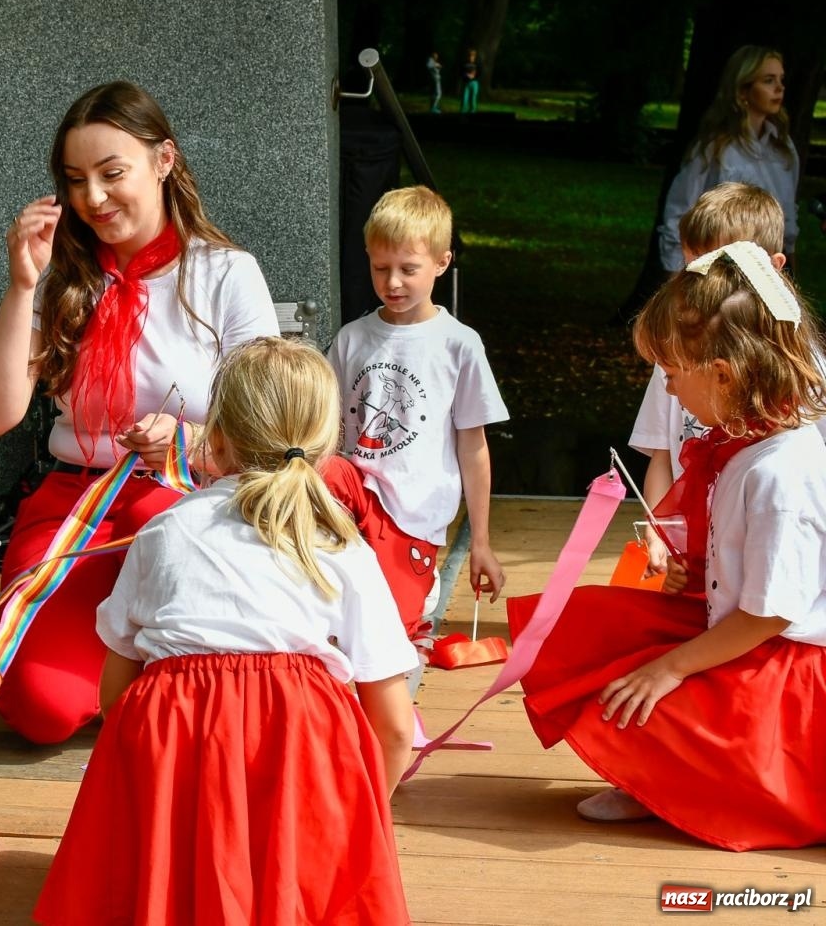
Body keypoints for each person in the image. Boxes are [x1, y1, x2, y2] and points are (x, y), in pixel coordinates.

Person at [33, 337, 416, 925]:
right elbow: (392, 728)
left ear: (215, 440)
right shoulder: (340, 545)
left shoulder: (165, 530)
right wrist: (354, 823)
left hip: (175, 754)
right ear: (327, 448)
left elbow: (116, 698)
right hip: (295, 753)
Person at [0, 81, 279, 745]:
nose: (94, 200)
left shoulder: (226, 274)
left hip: (187, 504)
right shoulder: (66, 278)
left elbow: (269, 428)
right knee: (39, 709)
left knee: (159, 542)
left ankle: (165, 682)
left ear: (163, 160)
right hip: (76, 506)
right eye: (76, 181)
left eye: (113, 174)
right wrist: (23, 284)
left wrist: (191, 439)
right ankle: (135, 680)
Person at [510, 243, 826, 851]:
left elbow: (770, 614)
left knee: (645, 691)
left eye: (674, 374)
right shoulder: (746, 443)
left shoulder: (780, 475)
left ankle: (673, 781)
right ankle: (662, 774)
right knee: (592, 633)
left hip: (778, 664)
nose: (671, 391)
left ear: (725, 375)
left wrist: (671, 667)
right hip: (735, 629)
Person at [325, 185, 508, 652]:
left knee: (391, 632)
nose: (393, 283)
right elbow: (323, 425)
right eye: (380, 268)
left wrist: (481, 541)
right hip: (350, 502)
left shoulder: (458, 343)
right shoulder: (351, 338)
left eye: (409, 269)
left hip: (412, 518)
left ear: (442, 263)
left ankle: (411, 603)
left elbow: (473, 446)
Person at [628, 182, 822, 578]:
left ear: (774, 268)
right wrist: (662, 532)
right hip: (696, 558)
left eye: (716, 270)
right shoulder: (676, 358)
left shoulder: (807, 369)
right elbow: (661, 455)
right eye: (691, 269)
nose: (699, 287)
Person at [657, 46, 799, 273]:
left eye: (781, 79)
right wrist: (677, 276)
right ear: (743, 90)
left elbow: (788, 218)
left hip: (772, 271)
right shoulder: (716, 148)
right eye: (768, 80)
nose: (779, 88)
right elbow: (678, 213)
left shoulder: (783, 147)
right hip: (722, 270)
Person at [459, 48, 479, 114]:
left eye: (472, 55)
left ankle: (472, 111)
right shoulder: (464, 63)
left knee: (473, 98)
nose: (471, 57)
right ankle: (463, 112)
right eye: (470, 55)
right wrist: (466, 75)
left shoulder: (477, 63)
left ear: (475, 56)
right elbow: (460, 72)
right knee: (464, 98)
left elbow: (480, 72)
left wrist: (474, 76)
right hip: (466, 83)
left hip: (474, 83)